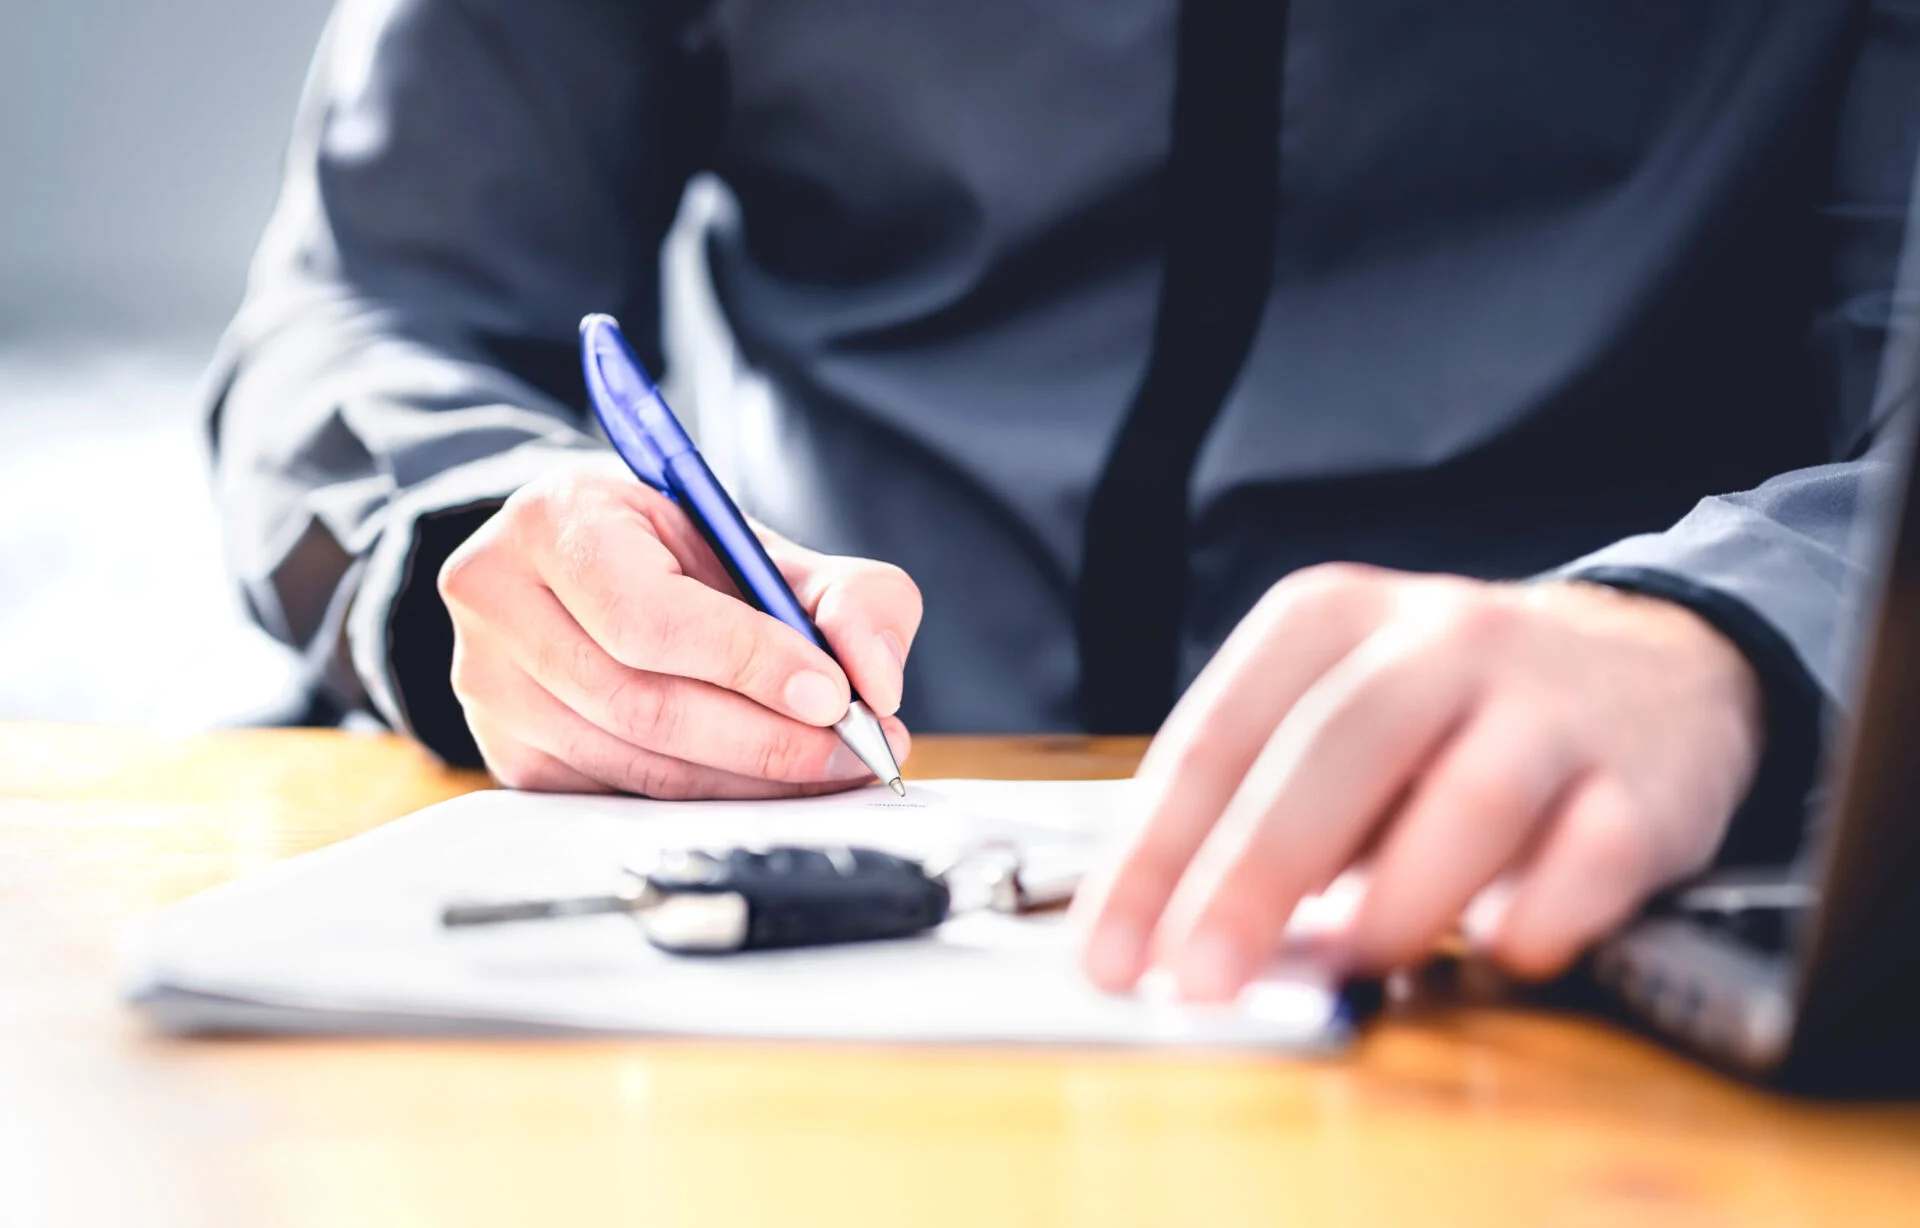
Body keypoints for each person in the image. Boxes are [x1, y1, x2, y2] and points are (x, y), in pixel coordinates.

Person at [206, 0, 1920, 1002]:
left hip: (1538, 912)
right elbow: (367, 306)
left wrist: (1728, 644)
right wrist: (469, 539)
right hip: (774, 851)